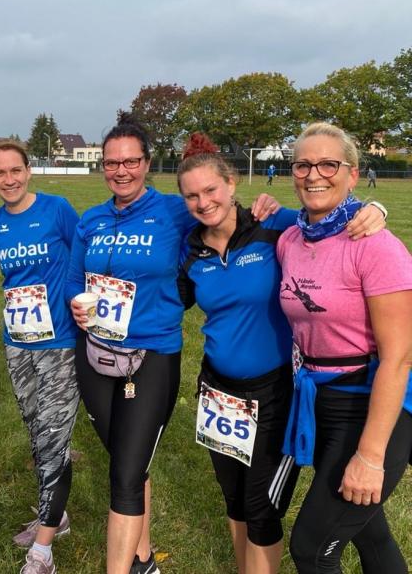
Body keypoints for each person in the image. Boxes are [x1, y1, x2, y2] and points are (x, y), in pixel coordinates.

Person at [66, 113, 281, 574]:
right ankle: (143, 559)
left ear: (147, 163)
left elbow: (226, 216)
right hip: (96, 355)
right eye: (111, 163)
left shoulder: (174, 211)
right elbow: (72, 279)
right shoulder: (92, 220)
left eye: (131, 161)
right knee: (127, 460)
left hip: (151, 356)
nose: (121, 170)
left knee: (126, 473)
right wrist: (75, 305)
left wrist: (369, 210)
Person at [176, 132, 386, 574]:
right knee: (234, 500)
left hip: (274, 394)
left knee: (262, 508)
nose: (203, 202)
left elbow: (329, 217)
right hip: (217, 393)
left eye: (211, 190)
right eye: (192, 196)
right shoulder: (191, 249)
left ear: (232, 183)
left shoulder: (276, 227)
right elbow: (168, 302)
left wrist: (375, 209)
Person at [278, 122, 412, 574]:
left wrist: (371, 456)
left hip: (373, 405)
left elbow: (399, 358)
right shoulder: (291, 239)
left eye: (328, 164)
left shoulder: (376, 246)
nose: (314, 175)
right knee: (370, 534)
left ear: (353, 174)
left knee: (312, 548)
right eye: (303, 165)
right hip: (321, 403)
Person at [0, 139, 79, 574]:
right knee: (36, 430)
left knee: (53, 437)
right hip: (18, 342)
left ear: (28, 170)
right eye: (0, 173)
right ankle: (55, 514)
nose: (9, 179)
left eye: (15, 170)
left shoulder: (57, 209)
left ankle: (43, 550)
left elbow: (84, 257)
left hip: (59, 343)